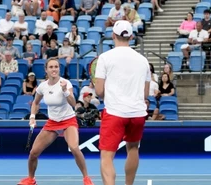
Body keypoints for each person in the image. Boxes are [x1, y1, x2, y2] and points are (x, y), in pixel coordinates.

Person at [17, 58, 94, 185]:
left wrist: (64, 91)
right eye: (51, 67)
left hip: (68, 120)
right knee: (33, 153)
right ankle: (31, 179)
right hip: (53, 122)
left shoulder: (66, 83)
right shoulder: (42, 86)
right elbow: (35, 103)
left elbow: (73, 103)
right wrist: (32, 117)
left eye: (56, 67)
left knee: (74, 148)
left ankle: (86, 178)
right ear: (46, 70)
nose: (54, 69)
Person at [95, 20, 151, 185]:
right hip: (138, 113)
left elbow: (98, 91)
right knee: (133, 148)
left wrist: (108, 95)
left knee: (106, 155)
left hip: (114, 113)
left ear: (113, 35)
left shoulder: (104, 58)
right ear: (132, 36)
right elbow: (145, 94)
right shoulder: (143, 60)